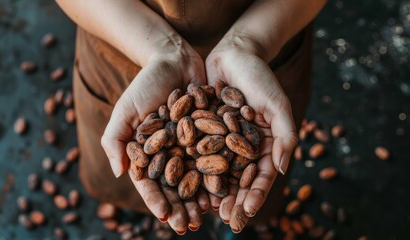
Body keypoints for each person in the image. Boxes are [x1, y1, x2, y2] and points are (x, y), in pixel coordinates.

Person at [56, 0, 326, 236]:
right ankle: (138, 214)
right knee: (135, 180)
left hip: (267, 43)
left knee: (246, 200)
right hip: (122, 40)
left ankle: (238, 228)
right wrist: (161, 51)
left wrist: (249, 42)